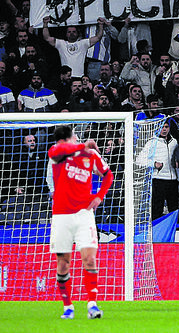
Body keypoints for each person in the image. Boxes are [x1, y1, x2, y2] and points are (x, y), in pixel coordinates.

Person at [48, 125, 113, 319]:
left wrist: (99, 196)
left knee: (90, 258)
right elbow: (61, 150)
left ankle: (92, 305)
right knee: (63, 264)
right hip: (61, 216)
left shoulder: (90, 155)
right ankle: (68, 306)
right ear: (68, 139)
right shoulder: (57, 153)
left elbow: (108, 175)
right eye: (74, 138)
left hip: (84, 215)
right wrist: (83, 146)